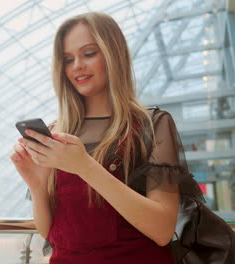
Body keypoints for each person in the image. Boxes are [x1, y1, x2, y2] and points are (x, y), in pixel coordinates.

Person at [10, 12, 204, 263]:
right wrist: (37, 185)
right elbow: (53, 234)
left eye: (89, 53)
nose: (77, 65)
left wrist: (85, 167)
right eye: (68, 59)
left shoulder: (152, 125)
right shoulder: (58, 132)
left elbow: (162, 231)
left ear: (114, 55)